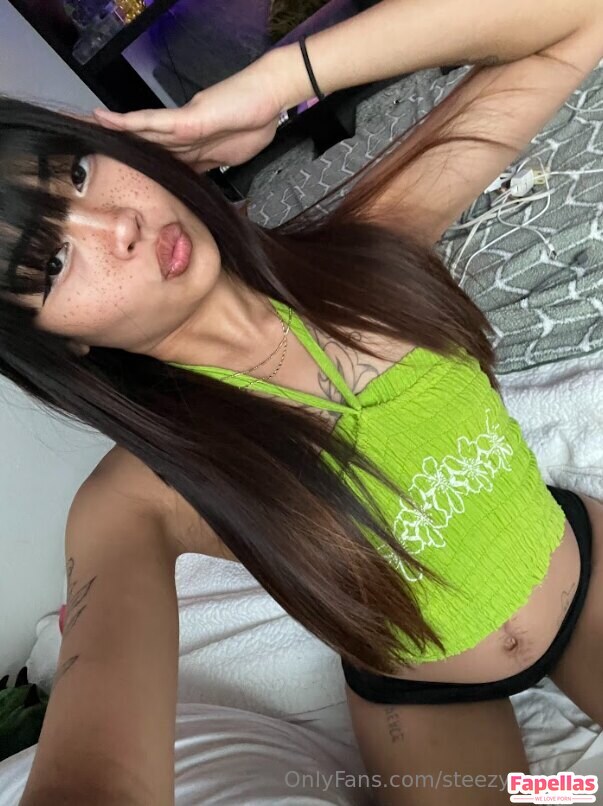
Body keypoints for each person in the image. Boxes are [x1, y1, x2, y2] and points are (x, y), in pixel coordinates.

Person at [1, 1, 602, 803]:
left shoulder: (369, 247)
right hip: (421, 691)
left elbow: (577, 22)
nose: (118, 225)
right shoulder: (140, 496)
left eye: (77, 172)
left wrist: (278, 81)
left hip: (575, 568)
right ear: (58, 344)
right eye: (51, 262)